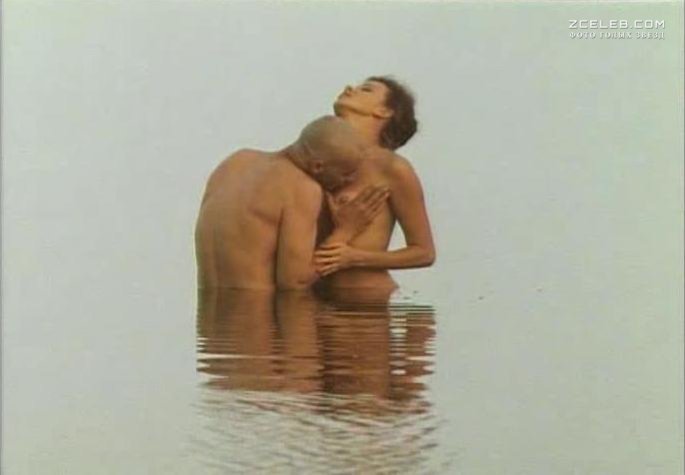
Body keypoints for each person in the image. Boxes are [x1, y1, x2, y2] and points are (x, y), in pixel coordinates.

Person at [195, 115, 388, 290]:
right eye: (346, 174)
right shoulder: (301, 187)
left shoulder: (236, 162)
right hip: (255, 315)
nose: (349, 181)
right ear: (317, 166)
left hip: (209, 313)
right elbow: (295, 282)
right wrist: (345, 231)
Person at [314, 77, 436, 295]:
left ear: (384, 111)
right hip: (315, 295)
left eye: (366, 89)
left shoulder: (393, 168)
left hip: (368, 299)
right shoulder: (315, 159)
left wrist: (355, 258)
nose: (348, 88)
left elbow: (424, 253)